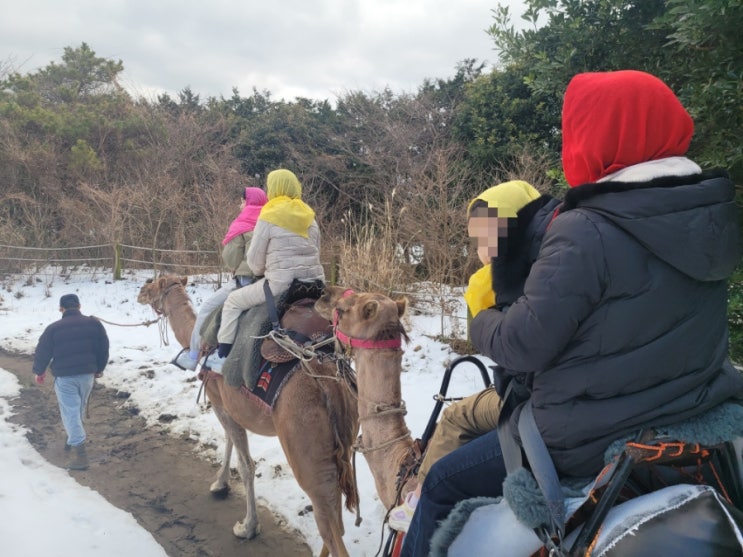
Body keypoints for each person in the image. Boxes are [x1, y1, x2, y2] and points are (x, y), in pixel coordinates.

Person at [400, 69, 743, 556]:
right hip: (692, 410)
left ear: (601, 136)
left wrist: (480, 320)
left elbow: (523, 346)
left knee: (441, 482)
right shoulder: (709, 212)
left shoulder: (587, 228)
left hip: (588, 436)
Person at [388, 180, 559, 532]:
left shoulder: (492, 280)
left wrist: (482, 282)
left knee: (454, 417)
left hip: (534, 395)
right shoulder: (557, 259)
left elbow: (488, 342)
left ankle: (419, 499)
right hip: (554, 385)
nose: (480, 248)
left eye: (483, 237)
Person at [215, 168, 325, 359]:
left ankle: (223, 354)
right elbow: (316, 250)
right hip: (315, 286)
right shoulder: (310, 217)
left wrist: (262, 271)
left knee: (232, 302)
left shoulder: (269, 215)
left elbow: (254, 261)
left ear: (274, 188)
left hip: (281, 287)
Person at [172, 186, 268, 370]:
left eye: (242, 201)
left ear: (248, 202)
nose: (240, 205)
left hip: (245, 282)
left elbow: (230, 259)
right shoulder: (269, 220)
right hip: (269, 282)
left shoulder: (243, 223)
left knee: (208, 308)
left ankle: (193, 355)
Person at [32, 293, 110, 471]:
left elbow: (42, 351)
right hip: (87, 375)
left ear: (61, 309)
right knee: (78, 408)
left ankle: (80, 455)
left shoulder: (53, 328)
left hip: (65, 377)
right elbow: (103, 348)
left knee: (70, 412)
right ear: (79, 306)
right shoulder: (94, 324)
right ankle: (73, 437)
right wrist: (99, 368)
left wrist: (39, 371)